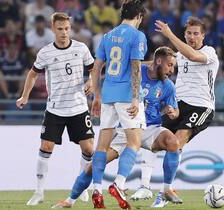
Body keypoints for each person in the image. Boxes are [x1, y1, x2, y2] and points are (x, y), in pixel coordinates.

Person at [52, 46, 183, 209]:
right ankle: (69, 201)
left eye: (173, 66)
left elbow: (176, 111)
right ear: (158, 61)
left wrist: (172, 112)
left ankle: (166, 189)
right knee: (93, 167)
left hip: (150, 129)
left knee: (173, 143)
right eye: (170, 65)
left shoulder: (168, 85)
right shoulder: (136, 71)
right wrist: (95, 88)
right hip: (127, 129)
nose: (171, 70)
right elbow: (113, 74)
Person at [16, 12, 95, 206]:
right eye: (60, 29)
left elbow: (94, 69)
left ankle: (81, 187)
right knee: (46, 147)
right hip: (55, 109)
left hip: (78, 107)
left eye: (67, 28)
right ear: (53, 29)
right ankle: (39, 192)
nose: (64, 32)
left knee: (88, 149)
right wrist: (25, 96)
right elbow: (32, 74)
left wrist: (91, 81)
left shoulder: (81, 48)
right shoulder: (45, 53)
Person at [142, 16, 219, 207]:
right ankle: (144, 186)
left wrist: (169, 35)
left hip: (201, 106)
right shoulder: (180, 54)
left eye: (196, 33)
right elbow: (157, 66)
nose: (192, 37)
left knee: (175, 142)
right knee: (151, 141)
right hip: (177, 106)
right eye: (189, 33)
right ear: (185, 34)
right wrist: (133, 66)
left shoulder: (209, 52)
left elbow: (193, 56)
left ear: (203, 36)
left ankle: (163, 193)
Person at [88, 1, 147, 209]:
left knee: (101, 146)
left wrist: (96, 96)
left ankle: (97, 189)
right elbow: (136, 67)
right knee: (134, 142)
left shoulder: (107, 36)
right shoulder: (137, 36)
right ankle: (119, 184)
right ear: (138, 16)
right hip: (125, 96)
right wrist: (134, 98)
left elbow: (96, 69)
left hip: (107, 95)